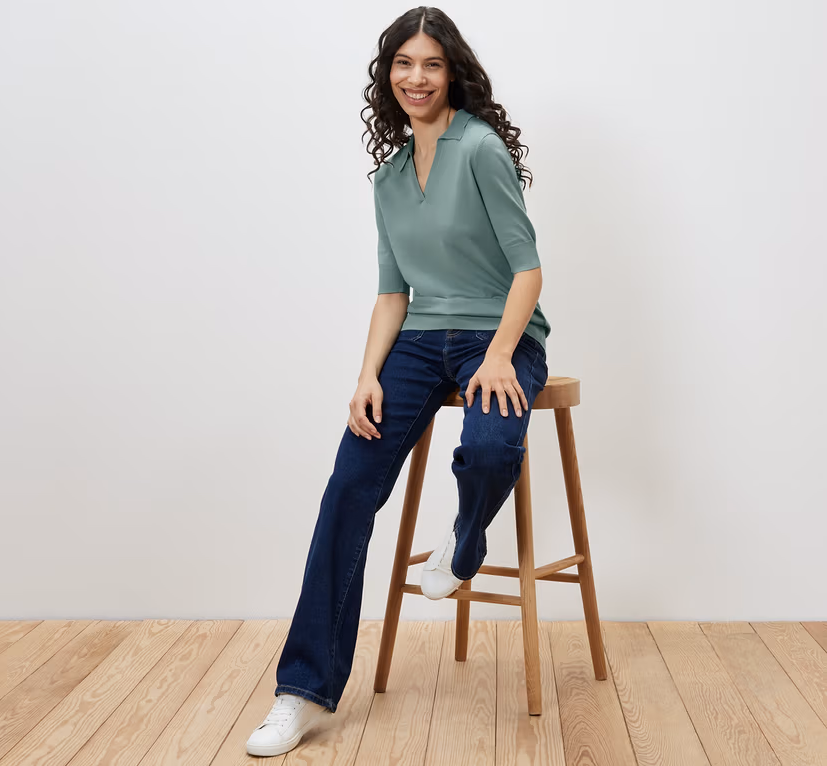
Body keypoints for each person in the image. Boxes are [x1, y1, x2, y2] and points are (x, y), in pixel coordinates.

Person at [246, 7, 551, 757]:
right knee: (349, 487)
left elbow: (528, 270)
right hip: (417, 342)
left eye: (432, 64)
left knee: (490, 449)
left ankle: (464, 540)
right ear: (388, 75)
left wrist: (500, 355)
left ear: (454, 74)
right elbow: (392, 293)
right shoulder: (386, 176)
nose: (417, 77)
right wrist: (366, 375)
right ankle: (301, 691)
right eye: (404, 64)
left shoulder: (479, 149)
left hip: (498, 335)